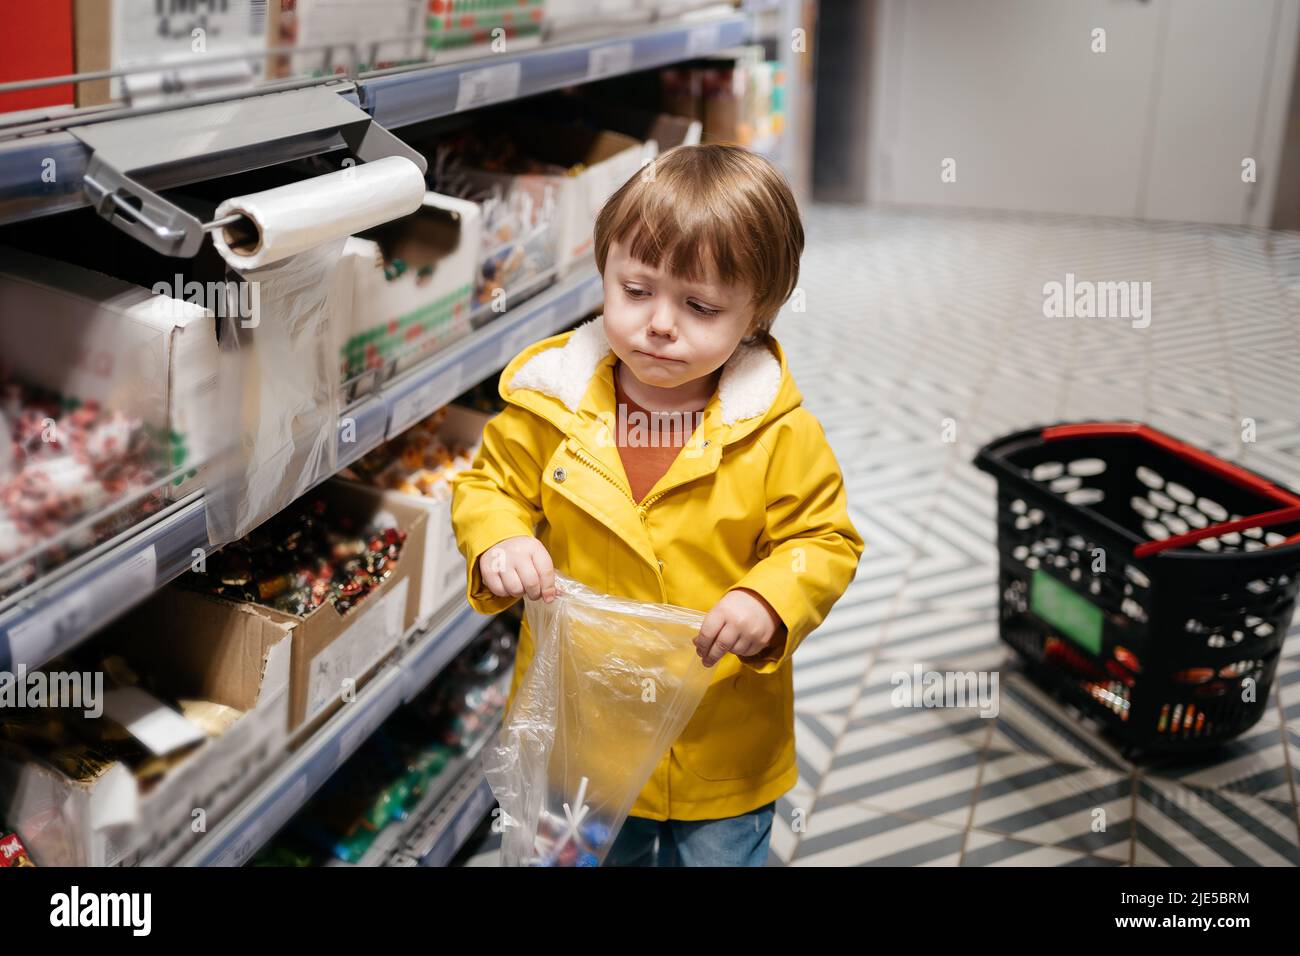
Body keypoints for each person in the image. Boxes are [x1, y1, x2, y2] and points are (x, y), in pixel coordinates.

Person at [450, 143, 864, 866]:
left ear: (758, 313)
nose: (660, 324)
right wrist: (498, 541)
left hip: (720, 741)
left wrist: (769, 602)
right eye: (635, 290)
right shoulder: (552, 405)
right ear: (604, 270)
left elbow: (823, 540)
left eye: (701, 305)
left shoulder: (776, 431)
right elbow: (488, 487)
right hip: (585, 734)